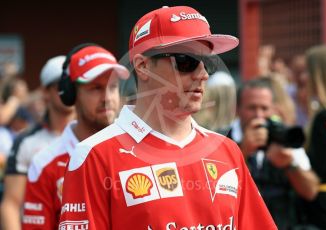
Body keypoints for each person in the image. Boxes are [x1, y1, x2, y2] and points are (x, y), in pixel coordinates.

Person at [59, 6, 276, 230]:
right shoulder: (94, 155)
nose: (202, 75)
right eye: (186, 61)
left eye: (207, 62)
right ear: (143, 66)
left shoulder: (227, 151)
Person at [21, 44, 129, 229]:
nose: (107, 97)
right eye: (95, 88)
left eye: (112, 87)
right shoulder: (44, 164)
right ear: (70, 95)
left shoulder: (140, 150)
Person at [226, 78, 319, 230]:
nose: (259, 115)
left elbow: (311, 191)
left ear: (273, 109)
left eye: (264, 108)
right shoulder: (222, 139)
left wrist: (289, 164)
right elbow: (212, 187)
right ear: (237, 109)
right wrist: (243, 151)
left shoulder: (284, 135)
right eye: (252, 108)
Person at [0, 56, 75, 230]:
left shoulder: (96, 136)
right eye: (60, 85)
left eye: (73, 85)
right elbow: (11, 204)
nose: (68, 91)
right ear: (45, 92)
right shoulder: (26, 142)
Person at [297, 45, 326, 230]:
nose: (304, 77)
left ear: (321, 75)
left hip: (321, 212)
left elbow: (315, 172)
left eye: (308, 71)